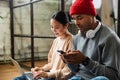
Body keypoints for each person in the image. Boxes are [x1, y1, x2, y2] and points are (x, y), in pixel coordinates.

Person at [61, 0, 120, 80]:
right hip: (79, 77)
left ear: (92, 15)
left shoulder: (110, 38)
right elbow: (75, 70)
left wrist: (86, 61)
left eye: (79, 18)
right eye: (74, 19)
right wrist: (69, 61)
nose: (76, 23)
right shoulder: (77, 38)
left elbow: (113, 76)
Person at [14, 11, 74, 80]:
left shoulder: (72, 41)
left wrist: (47, 75)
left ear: (66, 25)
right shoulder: (56, 40)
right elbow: (52, 63)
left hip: (57, 78)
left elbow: (68, 71)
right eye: (51, 27)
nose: (53, 30)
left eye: (57, 27)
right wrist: (41, 69)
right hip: (50, 75)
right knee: (19, 78)